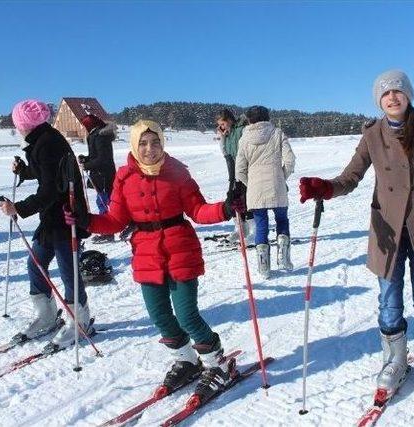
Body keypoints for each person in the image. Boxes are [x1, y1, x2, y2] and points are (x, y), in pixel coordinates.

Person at [299, 70, 414, 399]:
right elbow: (351, 176)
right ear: (379, 101)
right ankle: (395, 360)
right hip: (387, 229)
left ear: (408, 95)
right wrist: (327, 188)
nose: (392, 97)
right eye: (385, 94)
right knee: (388, 300)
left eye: (398, 91)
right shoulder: (372, 134)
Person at [64, 119, 244, 404]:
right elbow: (115, 220)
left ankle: (216, 363)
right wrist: (86, 220)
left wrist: (224, 208)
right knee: (159, 316)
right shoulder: (124, 178)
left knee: (187, 315)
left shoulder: (177, 173)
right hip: (146, 255)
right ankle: (186, 360)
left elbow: (197, 210)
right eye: (144, 143)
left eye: (156, 142)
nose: (150, 149)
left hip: (180, 250)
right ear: (135, 146)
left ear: (163, 143)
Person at [0, 99, 92, 350]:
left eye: (17, 123)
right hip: (51, 219)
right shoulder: (42, 140)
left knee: (67, 271)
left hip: (64, 217)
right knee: (36, 263)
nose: (16, 127)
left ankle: (80, 320)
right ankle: (48, 315)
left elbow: (49, 189)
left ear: (24, 124)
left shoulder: (47, 143)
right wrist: (24, 170)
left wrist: (19, 208)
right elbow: (45, 173)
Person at [235, 105, 296, 279]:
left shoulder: (244, 139)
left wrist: (251, 183)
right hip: (277, 186)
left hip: (255, 190)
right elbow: (290, 161)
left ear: (249, 120)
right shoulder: (277, 134)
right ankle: (284, 256)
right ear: (267, 118)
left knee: (261, 224)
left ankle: (264, 267)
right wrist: (281, 177)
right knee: (282, 220)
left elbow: (239, 171)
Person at [215, 109, 255, 243]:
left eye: (222, 124)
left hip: (246, 170)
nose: (221, 127)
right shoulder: (228, 134)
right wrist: (222, 137)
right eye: (220, 125)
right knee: (232, 199)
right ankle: (240, 228)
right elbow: (225, 153)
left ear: (229, 120)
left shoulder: (242, 129)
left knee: (247, 200)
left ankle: (253, 231)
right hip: (234, 171)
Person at [78, 114, 116, 244]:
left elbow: (103, 159)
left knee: (104, 203)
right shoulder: (97, 135)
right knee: (105, 202)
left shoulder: (100, 137)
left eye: (85, 126)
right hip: (101, 175)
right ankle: (110, 229)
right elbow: (96, 156)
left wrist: (87, 165)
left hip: (103, 175)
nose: (84, 129)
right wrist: (86, 159)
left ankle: (108, 231)